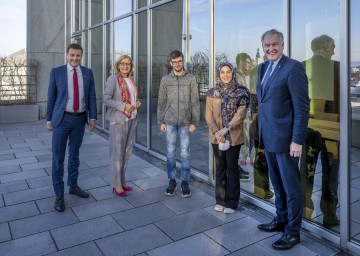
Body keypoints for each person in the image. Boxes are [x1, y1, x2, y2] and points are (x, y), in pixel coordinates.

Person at [256, 29, 309, 250]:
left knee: (291, 187)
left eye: (275, 44)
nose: (271, 48)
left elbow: (302, 107)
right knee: (276, 183)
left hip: (287, 140)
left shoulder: (293, 68)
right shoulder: (262, 68)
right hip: (268, 136)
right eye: (267, 45)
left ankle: (293, 232)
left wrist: (297, 139)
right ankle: (281, 219)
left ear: (283, 44)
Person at [46, 43, 97, 212]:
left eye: (78, 55)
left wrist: (92, 117)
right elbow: (51, 98)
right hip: (61, 120)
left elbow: (91, 96)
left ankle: (73, 186)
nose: (75, 58)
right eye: (72, 55)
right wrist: (48, 120)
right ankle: (59, 195)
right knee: (58, 158)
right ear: (67, 55)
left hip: (79, 119)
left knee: (74, 155)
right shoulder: (57, 72)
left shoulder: (88, 73)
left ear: (81, 56)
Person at [302, 35, 340, 227]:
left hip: (306, 128)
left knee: (305, 171)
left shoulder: (301, 66)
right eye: (332, 46)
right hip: (331, 131)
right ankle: (329, 216)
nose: (334, 50)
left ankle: (305, 210)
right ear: (325, 47)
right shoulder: (337, 68)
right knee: (330, 172)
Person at [206, 62, 250, 214]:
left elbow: (241, 114)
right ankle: (220, 200)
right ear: (219, 74)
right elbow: (208, 115)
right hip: (217, 136)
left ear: (232, 73)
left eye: (228, 72)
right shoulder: (212, 92)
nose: (225, 75)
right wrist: (217, 131)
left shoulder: (242, 92)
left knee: (231, 169)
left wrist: (226, 129)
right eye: (222, 72)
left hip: (233, 136)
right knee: (220, 169)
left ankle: (231, 203)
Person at [157, 50, 200, 198]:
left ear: (182, 61)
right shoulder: (165, 80)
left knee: (185, 152)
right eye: (174, 62)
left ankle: (185, 182)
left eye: (179, 61)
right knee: (170, 152)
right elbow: (161, 102)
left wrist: (195, 121)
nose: (177, 64)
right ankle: (171, 181)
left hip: (185, 122)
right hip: (169, 121)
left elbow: (195, 101)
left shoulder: (191, 79)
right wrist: (160, 121)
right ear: (171, 63)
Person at [103, 55, 140, 197]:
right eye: (123, 64)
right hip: (118, 120)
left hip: (131, 119)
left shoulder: (131, 81)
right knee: (117, 154)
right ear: (118, 65)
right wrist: (124, 106)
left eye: (128, 64)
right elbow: (106, 100)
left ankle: (123, 182)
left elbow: (132, 98)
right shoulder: (113, 79)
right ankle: (116, 185)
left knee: (126, 153)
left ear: (131, 67)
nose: (125, 66)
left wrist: (136, 103)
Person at [235, 53, 255, 182]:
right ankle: (244, 157)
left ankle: (251, 157)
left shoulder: (251, 75)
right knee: (243, 134)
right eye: (246, 62)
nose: (248, 64)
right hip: (241, 111)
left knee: (251, 134)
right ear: (240, 63)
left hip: (251, 109)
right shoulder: (237, 76)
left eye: (249, 62)